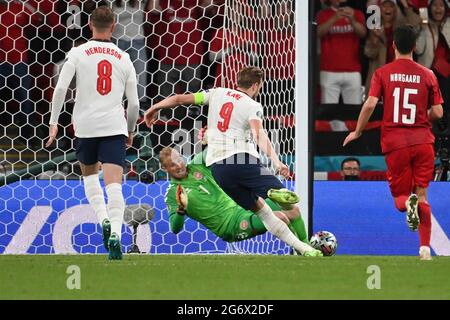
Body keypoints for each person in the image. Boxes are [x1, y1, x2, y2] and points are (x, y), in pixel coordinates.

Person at [145, 66, 322, 257]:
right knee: (289, 205)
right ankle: (273, 192)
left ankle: (303, 249)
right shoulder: (252, 105)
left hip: (220, 170)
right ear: (256, 85)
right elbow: (258, 133)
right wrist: (277, 161)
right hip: (242, 160)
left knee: (265, 213)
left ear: (237, 81)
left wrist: (155, 107)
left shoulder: (216, 93)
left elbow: (179, 99)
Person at [46, 6, 140, 260]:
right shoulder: (123, 57)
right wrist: (130, 129)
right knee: (115, 186)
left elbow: (60, 89)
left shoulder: (77, 52)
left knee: (89, 178)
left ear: (89, 25)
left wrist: (54, 122)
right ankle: (117, 236)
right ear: (114, 27)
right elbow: (134, 104)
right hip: (113, 127)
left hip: (85, 127)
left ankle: (103, 220)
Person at [343, 24, 444, 260]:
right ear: (416, 47)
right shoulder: (428, 74)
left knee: (401, 201)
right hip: (423, 142)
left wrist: (358, 131)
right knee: (422, 196)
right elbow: (438, 112)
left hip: (395, 142)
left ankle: (406, 204)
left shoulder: (383, 73)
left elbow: (369, 104)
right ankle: (424, 249)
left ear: (394, 45)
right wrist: (421, 117)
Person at [160, 147, 310, 247]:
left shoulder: (197, 166)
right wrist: (181, 209)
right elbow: (175, 228)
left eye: (179, 160)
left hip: (242, 205)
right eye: (172, 165)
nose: (179, 166)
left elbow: (214, 148)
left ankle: (307, 246)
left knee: (291, 209)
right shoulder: (173, 193)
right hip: (230, 225)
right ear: (164, 168)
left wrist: (208, 137)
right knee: (280, 218)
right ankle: (303, 250)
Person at [316, 0, 367, 105]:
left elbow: (363, 34)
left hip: (353, 70)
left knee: (354, 112)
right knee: (328, 112)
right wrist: (334, 18)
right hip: (329, 70)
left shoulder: (357, 13)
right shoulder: (323, 14)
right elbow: (318, 33)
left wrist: (352, 20)